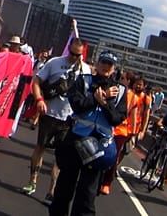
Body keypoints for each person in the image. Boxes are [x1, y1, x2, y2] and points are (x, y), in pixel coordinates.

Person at [49, 51, 127, 216]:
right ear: (97, 64)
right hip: (76, 139)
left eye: (110, 65)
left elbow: (117, 118)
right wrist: (96, 99)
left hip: (99, 146)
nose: (106, 67)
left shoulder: (120, 91)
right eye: (103, 63)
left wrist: (105, 103)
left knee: (87, 194)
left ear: (114, 69)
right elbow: (77, 105)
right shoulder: (83, 81)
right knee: (64, 188)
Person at [22, 38, 91, 203]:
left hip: (69, 118)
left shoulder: (85, 69)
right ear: (69, 50)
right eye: (72, 54)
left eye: (78, 55)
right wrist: (39, 99)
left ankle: (52, 191)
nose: (75, 57)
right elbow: (37, 81)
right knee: (40, 147)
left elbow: (87, 95)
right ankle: (32, 181)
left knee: (60, 156)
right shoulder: (54, 63)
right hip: (50, 114)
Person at [100, 74, 151, 194]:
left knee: (115, 155)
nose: (120, 80)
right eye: (120, 78)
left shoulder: (138, 97)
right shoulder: (114, 89)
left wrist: (136, 133)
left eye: (123, 78)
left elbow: (136, 115)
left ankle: (107, 182)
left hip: (123, 130)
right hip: (108, 126)